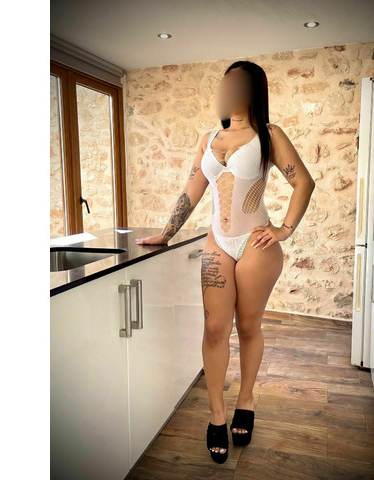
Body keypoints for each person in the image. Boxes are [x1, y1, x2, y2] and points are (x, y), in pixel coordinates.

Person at [135, 60, 315, 463]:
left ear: (252, 91)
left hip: (255, 244)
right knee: (215, 327)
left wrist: (285, 229)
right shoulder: (208, 139)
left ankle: (245, 401)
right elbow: (192, 191)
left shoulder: (269, 135)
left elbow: (303, 181)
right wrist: (166, 233)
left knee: (248, 327)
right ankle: (216, 414)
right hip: (217, 243)